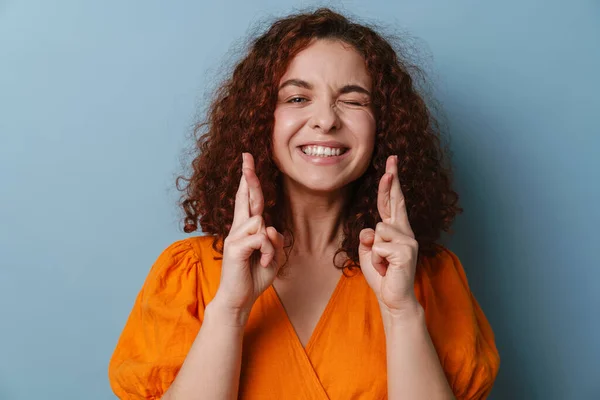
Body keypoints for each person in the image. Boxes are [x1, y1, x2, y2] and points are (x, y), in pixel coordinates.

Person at [108, 7, 500, 400]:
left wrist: (401, 313)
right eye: (297, 97)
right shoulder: (190, 275)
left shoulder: (431, 279)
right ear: (261, 119)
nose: (325, 120)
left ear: (384, 126)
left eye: (353, 100)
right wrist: (229, 310)